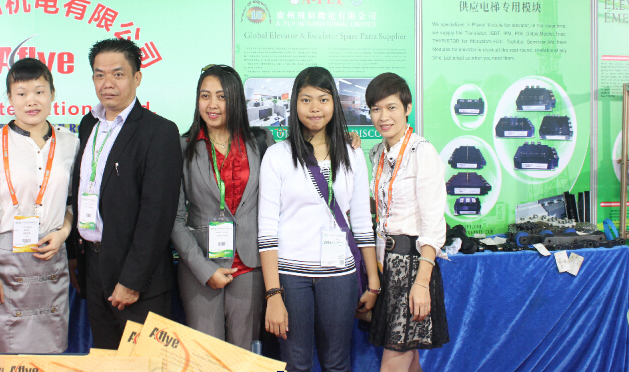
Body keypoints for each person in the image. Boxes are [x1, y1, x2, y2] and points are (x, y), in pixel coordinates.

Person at [259, 67, 379, 372]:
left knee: (337, 363)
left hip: (340, 276)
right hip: (290, 275)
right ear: (294, 105)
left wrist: (374, 282)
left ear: (334, 104)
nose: (315, 108)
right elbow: (267, 230)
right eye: (306, 99)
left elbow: (363, 224)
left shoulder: (352, 156)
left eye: (323, 99)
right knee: (295, 364)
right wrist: (273, 294)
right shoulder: (277, 156)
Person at [67, 38, 183, 349]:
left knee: (142, 365)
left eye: (118, 74)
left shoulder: (159, 132)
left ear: (137, 77)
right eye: (99, 74)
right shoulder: (88, 124)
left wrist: (131, 281)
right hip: (93, 267)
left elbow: (157, 216)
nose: (107, 83)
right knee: (106, 360)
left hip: (136, 280)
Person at [0, 58, 79, 353]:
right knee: (2, 353)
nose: (31, 101)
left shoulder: (71, 142)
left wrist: (62, 234)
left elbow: (73, 203)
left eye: (39, 91)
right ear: (9, 98)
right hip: (6, 263)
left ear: (53, 94)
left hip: (51, 259)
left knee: (51, 353)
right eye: (21, 93)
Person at [171, 65, 275, 350]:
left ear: (236, 99)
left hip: (250, 266)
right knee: (207, 356)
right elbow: (175, 219)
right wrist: (204, 269)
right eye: (205, 96)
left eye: (221, 96)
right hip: (200, 268)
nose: (212, 104)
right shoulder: (183, 146)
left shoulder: (261, 142)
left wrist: (345, 141)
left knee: (243, 355)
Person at [365, 73, 449, 372]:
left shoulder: (421, 152)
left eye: (391, 108)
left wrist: (422, 283)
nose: (383, 117)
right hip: (386, 263)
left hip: (412, 265)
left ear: (407, 107)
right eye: (376, 109)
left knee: (394, 360)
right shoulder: (376, 154)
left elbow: (433, 224)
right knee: (408, 359)